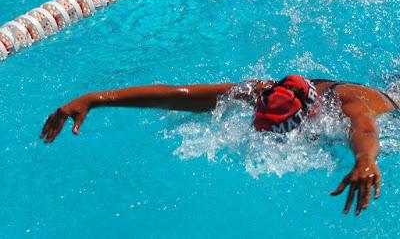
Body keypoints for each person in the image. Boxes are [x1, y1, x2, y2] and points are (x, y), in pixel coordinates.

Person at [40, 75, 399, 215]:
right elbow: (177, 95)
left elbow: (365, 133)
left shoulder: (350, 106)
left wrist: (366, 161)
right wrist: (94, 97)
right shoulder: (266, 91)